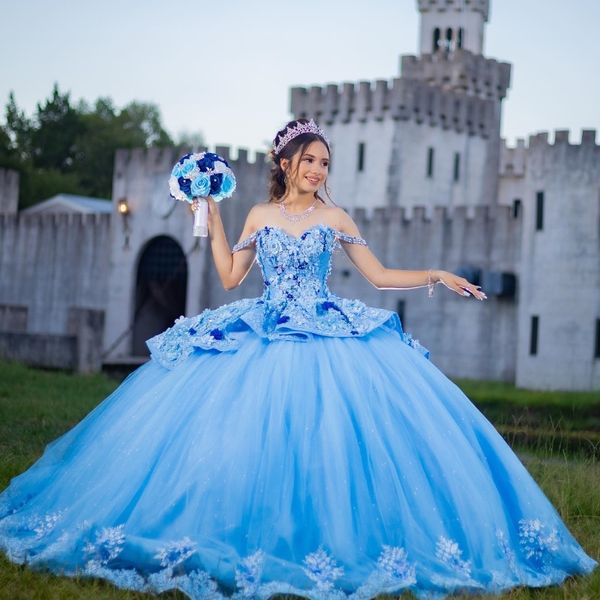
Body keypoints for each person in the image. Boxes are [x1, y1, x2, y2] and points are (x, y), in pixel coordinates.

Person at [0, 118, 596, 600]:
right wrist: (209, 219)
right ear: (286, 164)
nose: (318, 171)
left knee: (332, 444)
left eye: (325, 163)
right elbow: (232, 278)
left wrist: (437, 274)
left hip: (326, 331)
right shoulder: (258, 217)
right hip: (266, 328)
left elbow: (381, 277)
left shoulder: (335, 218)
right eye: (309, 160)